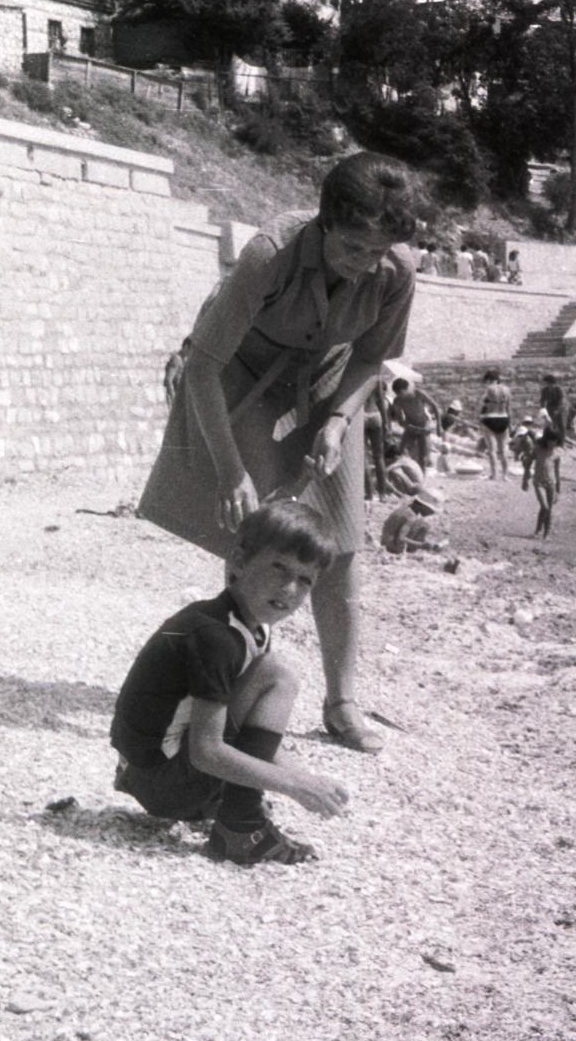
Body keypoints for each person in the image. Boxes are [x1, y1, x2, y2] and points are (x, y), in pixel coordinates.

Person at [137, 152, 417, 755]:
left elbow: (371, 357)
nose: (367, 266)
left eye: (377, 254)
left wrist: (340, 421)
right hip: (240, 374)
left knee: (340, 544)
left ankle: (342, 702)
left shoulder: (395, 267)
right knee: (257, 538)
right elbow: (204, 368)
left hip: (331, 380)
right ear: (324, 224)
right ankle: (230, 687)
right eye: (352, 250)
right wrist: (231, 469)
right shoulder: (270, 253)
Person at [111, 502, 350, 865]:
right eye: (279, 568)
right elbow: (208, 751)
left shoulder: (243, 624)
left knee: (272, 671)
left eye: (305, 579)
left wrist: (308, 778)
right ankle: (240, 828)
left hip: (146, 770)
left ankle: (228, 807)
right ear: (238, 562)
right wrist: (295, 786)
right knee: (279, 673)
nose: (289, 589)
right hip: (158, 780)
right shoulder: (218, 637)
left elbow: (243, 733)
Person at [389, 377, 440, 471]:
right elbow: (400, 420)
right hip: (410, 425)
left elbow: (435, 406)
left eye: (400, 393)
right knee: (402, 451)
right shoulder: (397, 401)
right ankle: (408, 473)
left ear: (406, 389)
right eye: (397, 393)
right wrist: (408, 426)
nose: (399, 395)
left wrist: (439, 426)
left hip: (423, 423)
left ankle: (422, 478)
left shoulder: (418, 394)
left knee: (423, 456)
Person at [381, 487, 445, 554]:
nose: (431, 513)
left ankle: (419, 546)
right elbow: (401, 538)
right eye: (431, 510)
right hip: (391, 546)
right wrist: (421, 545)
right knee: (424, 526)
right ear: (423, 505)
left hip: (385, 541)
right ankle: (410, 551)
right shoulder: (411, 516)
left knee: (420, 524)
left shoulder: (406, 509)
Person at [478, 369, 513, 481]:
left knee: (492, 450)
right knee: (503, 450)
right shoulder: (507, 390)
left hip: (490, 418)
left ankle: (494, 475)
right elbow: (509, 409)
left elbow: (480, 407)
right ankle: (505, 475)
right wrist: (510, 424)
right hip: (503, 418)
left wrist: (479, 419)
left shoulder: (488, 390)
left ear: (489, 379)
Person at [531, 426, 561, 539]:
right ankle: (539, 530)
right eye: (549, 440)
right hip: (538, 482)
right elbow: (529, 461)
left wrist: (558, 490)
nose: (552, 443)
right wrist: (525, 479)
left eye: (554, 441)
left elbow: (557, 473)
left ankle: (545, 532)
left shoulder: (557, 454)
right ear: (545, 439)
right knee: (545, 507)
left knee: (548, 509)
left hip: (551, 484)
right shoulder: (538, 449)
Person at [361, 380, 390, 501]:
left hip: (362, 415)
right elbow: (381, 402)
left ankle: (369, 494)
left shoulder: (357, 377)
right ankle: (382, 494)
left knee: (364, 457)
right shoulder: (376, 379)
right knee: (378, 457)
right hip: (375, 414)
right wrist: (386, 422)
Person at [511, 416, 537, 491]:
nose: (529, 424)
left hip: (525, 447)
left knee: (527, 466)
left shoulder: (522, 429)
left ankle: (526, 480)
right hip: (527, 447)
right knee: (527, 466)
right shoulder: (526, 430)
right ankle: (526, 480)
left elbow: (513, 436)